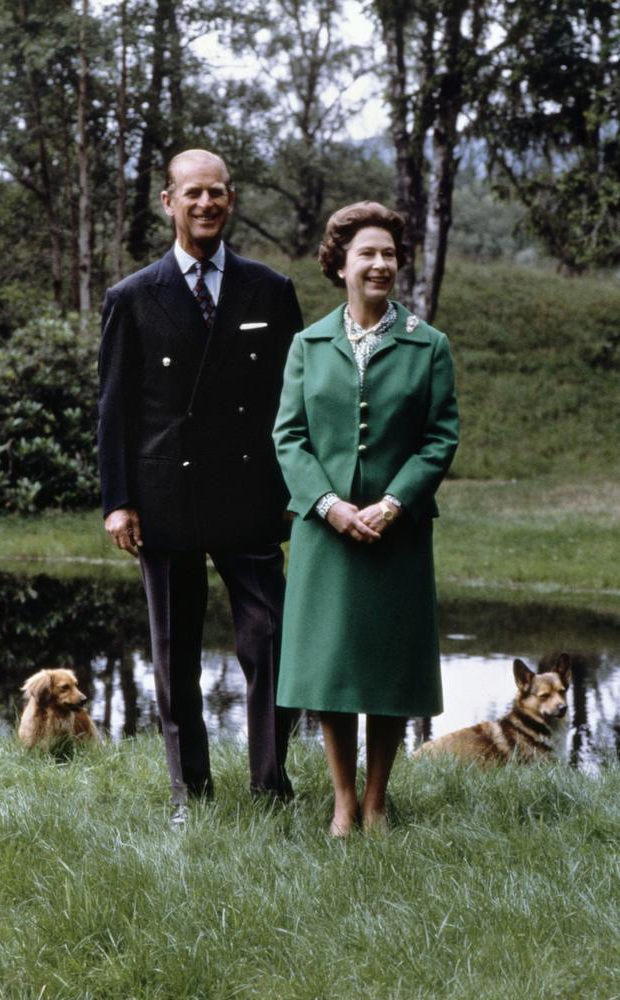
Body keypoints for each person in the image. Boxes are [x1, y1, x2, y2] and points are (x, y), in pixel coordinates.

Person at [98, 149, 303, 823]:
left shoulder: (270, 290)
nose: (205, 204)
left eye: (216, 193)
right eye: (193, 194)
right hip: (165, 500)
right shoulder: (132, 297)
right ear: (169, 202)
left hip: (250, 498)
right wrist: (118, 501)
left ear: (232, 200)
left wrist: (299, 492)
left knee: (272, 639)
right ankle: (191, 794)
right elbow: (116, 408)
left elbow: (291, 400)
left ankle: (270, 788)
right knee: (173, 657)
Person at [272, 201, 459, 836]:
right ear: (341, 265)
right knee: (332, 667)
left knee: (386, 666)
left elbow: (439, 438)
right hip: (325, 531)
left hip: (395, 532)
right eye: (367, 255)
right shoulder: (307, 344)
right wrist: (329, 505)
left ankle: (378, 800)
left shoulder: (429, 345)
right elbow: (289, 438)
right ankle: (343, 800)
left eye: (388, 254)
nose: (380, 265)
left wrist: (393, 502)